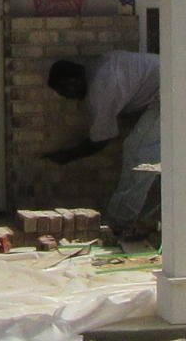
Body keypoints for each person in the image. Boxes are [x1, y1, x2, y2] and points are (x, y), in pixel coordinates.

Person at [44, 51, 162, 234]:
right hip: (167, 83)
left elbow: (101, 140)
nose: (67, 98)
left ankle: (119, 225)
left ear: (73, 82)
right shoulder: (96, 70)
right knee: (145, 152)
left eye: (64, 92)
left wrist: (68, 155)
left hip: (173, 87)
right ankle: (149, 220)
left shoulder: (100, 89)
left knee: (139, 156)